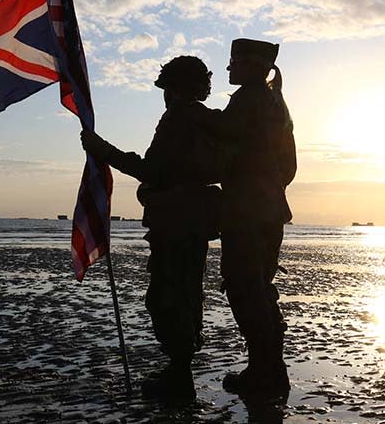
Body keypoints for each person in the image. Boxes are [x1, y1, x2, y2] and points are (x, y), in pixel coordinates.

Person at [80, 56, 222, 401]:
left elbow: (153, 170)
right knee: (185, 294)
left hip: (176, 222)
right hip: (189, 221)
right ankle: (180, 372)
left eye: (166, 88)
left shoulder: (179, 117)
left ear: (173, 89)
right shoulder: (202, 119)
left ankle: (180, 375)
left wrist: (103, 150)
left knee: (167, 298)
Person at [196, 38, 296, 400]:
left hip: (247, 212)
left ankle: (263, 372)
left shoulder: (249, 98)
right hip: (270, 210)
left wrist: (188, 109)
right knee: (260, 290)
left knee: (244, 290)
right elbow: (289, 167)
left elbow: (222, 133)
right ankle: (271, 370)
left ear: (252, 65)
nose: (228, 69)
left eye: (233, 61)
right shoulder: (276, 104)